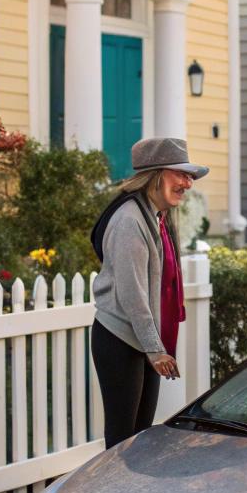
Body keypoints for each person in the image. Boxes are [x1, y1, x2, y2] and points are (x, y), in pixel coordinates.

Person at [90, 136, 209, 449]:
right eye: (181, 174)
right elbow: (132, 293)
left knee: (140, 437)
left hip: (140, 339)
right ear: (156, 175)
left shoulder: (156, 216)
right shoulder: (130, 220)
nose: (188, 183)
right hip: (120, 339)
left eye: (190, 176)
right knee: (122, 438)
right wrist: (155, 348)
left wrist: (152, 345)